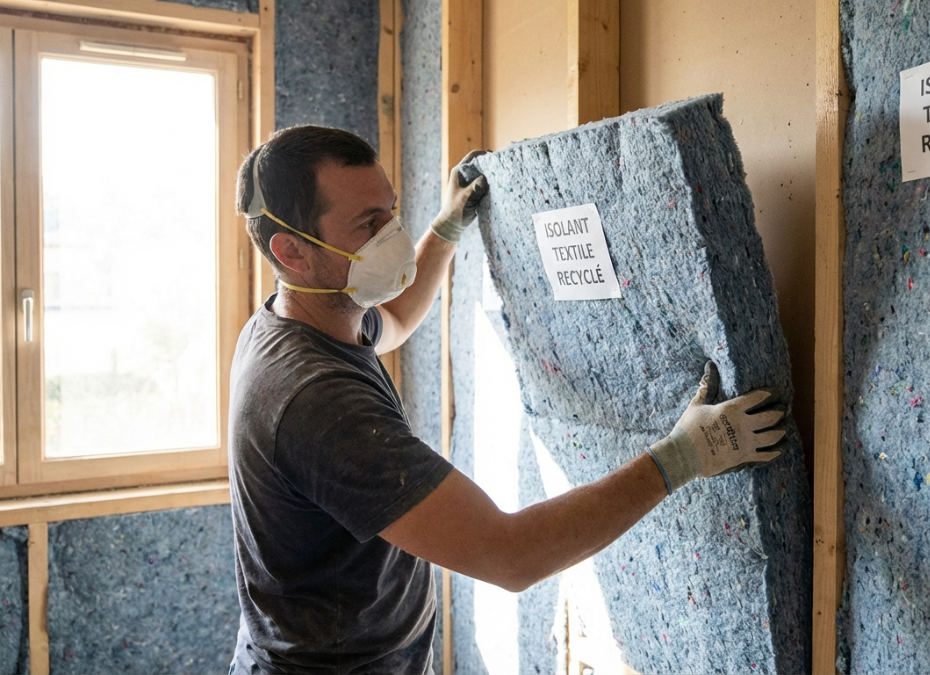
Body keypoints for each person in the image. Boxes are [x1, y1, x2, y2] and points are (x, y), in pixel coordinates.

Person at [227, 125, 787, 674]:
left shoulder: (306, 317)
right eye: (369, 224)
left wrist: (444, 230)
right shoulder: (317, 403)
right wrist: (688, 453)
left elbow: (392, 319)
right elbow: (510, 554)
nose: (391, 235)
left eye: (390, 212)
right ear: (292, 252)